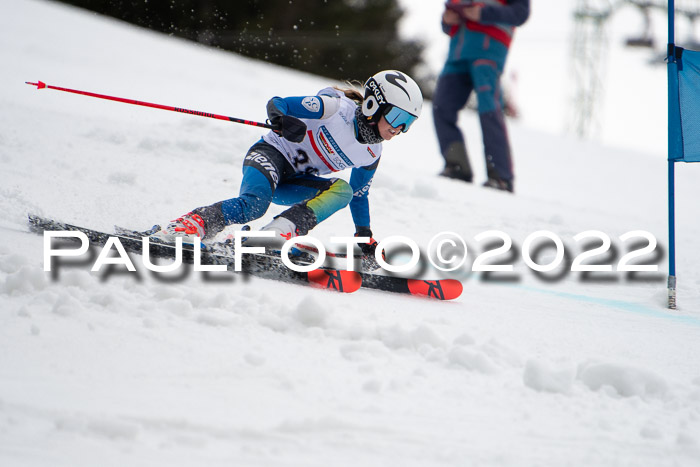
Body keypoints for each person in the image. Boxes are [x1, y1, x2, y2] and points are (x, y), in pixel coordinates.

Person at [154, 70, 423, 257]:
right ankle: (189, 225)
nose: (399, 128)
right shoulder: (333, 109)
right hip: (269, 155)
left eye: (408, 123)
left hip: (293, 182)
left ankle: (272, 236)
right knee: (254, 205)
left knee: (343, 190)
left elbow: (359, 196)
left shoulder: (371, 153)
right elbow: (278, 103)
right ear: (374, 104)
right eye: (398, 116)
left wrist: (364, 235)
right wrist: (282, 120)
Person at [433, 0, 530, 193]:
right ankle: (457, 166)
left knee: (489, 110)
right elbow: (449, 16)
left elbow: (520, 13)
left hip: (489, 51)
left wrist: (483, 13)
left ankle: (500, 176)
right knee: (441, 106)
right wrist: (446, 20)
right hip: (457, 52)